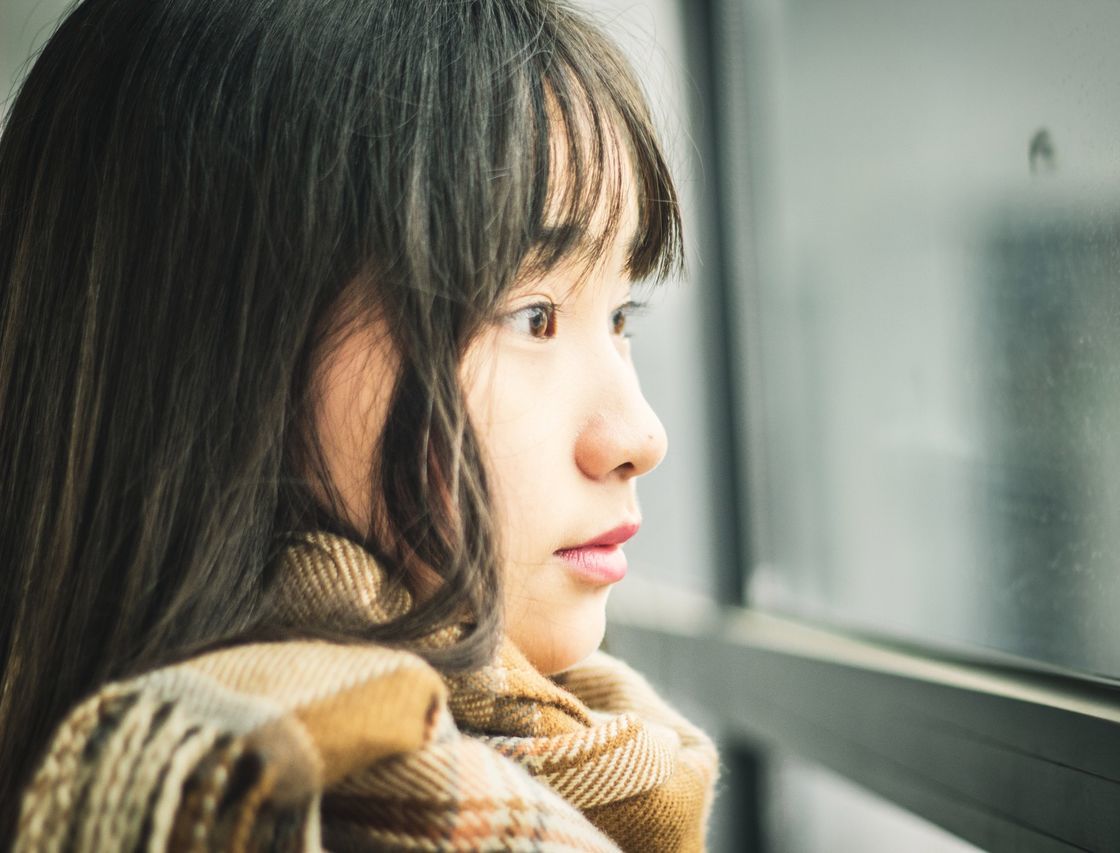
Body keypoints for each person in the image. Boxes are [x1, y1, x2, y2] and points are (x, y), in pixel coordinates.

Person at [0, 0, 717, 849]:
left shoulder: (563, 745)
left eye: (621, 314)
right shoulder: (285, 800)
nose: (639, 436)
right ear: (227, 351)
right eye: (531, 315)